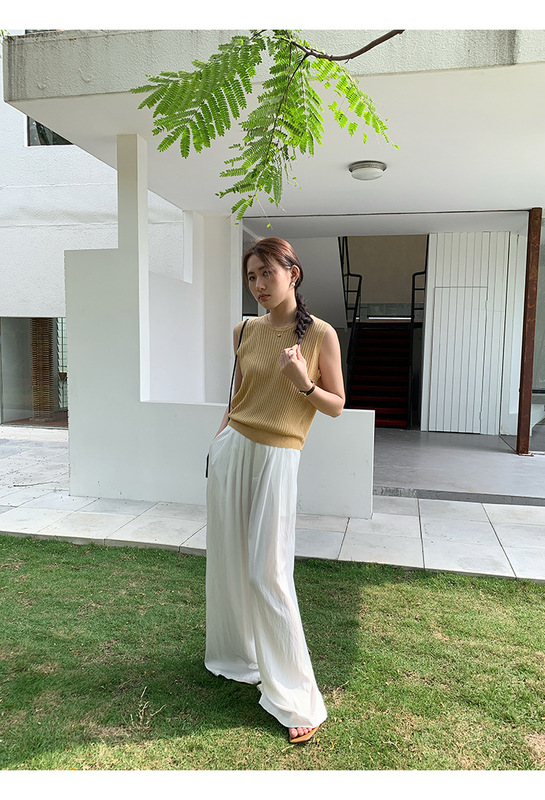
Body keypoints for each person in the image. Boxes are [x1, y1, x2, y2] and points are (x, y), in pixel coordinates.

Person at [205, 237, 345, 744]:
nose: (259, 285)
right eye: (252, 277)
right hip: (233, 449)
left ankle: (295, 696)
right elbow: (236, 396)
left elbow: (336, 405)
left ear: (293, 273)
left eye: (267, 273)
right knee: (227, 560)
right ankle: (236, 655)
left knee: (268, 571)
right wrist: (217, 444)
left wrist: (302, 381)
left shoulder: (321, 334)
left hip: (279, 455)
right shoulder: (243, 330)